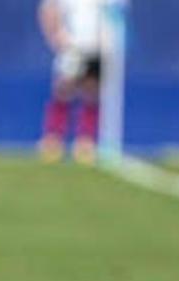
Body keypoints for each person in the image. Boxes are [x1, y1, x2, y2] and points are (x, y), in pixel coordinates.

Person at [37, 0, 106, 164]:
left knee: (92, 91)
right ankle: (53, 139)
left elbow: (117, 17)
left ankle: (86, 142)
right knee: (64, 88)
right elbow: (48, 10)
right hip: (72, 47)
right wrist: (56, 36)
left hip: (97, 48)